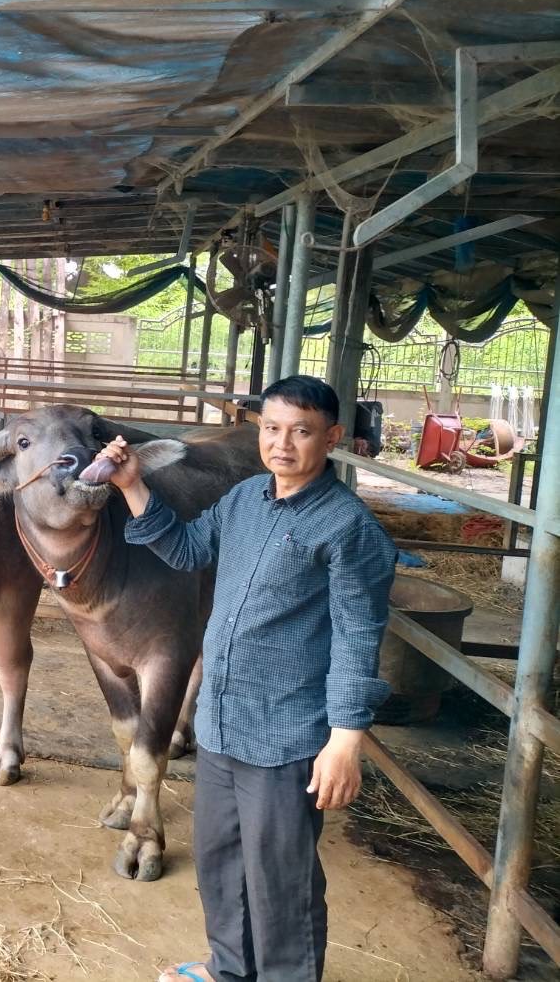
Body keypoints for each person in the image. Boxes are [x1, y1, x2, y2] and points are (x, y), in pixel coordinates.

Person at [94, 375, 395, 982]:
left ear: (332, 437)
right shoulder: (247, 498)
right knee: (220, 860)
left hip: (286, 734)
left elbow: (359, 639)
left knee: (280, 874)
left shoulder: (347, 528)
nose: (282, 444)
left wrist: (345, 739)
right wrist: (133, 486)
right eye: (272, 429)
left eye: (301, 431)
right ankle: (229, 971)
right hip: (222, 724)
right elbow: (183, 549)